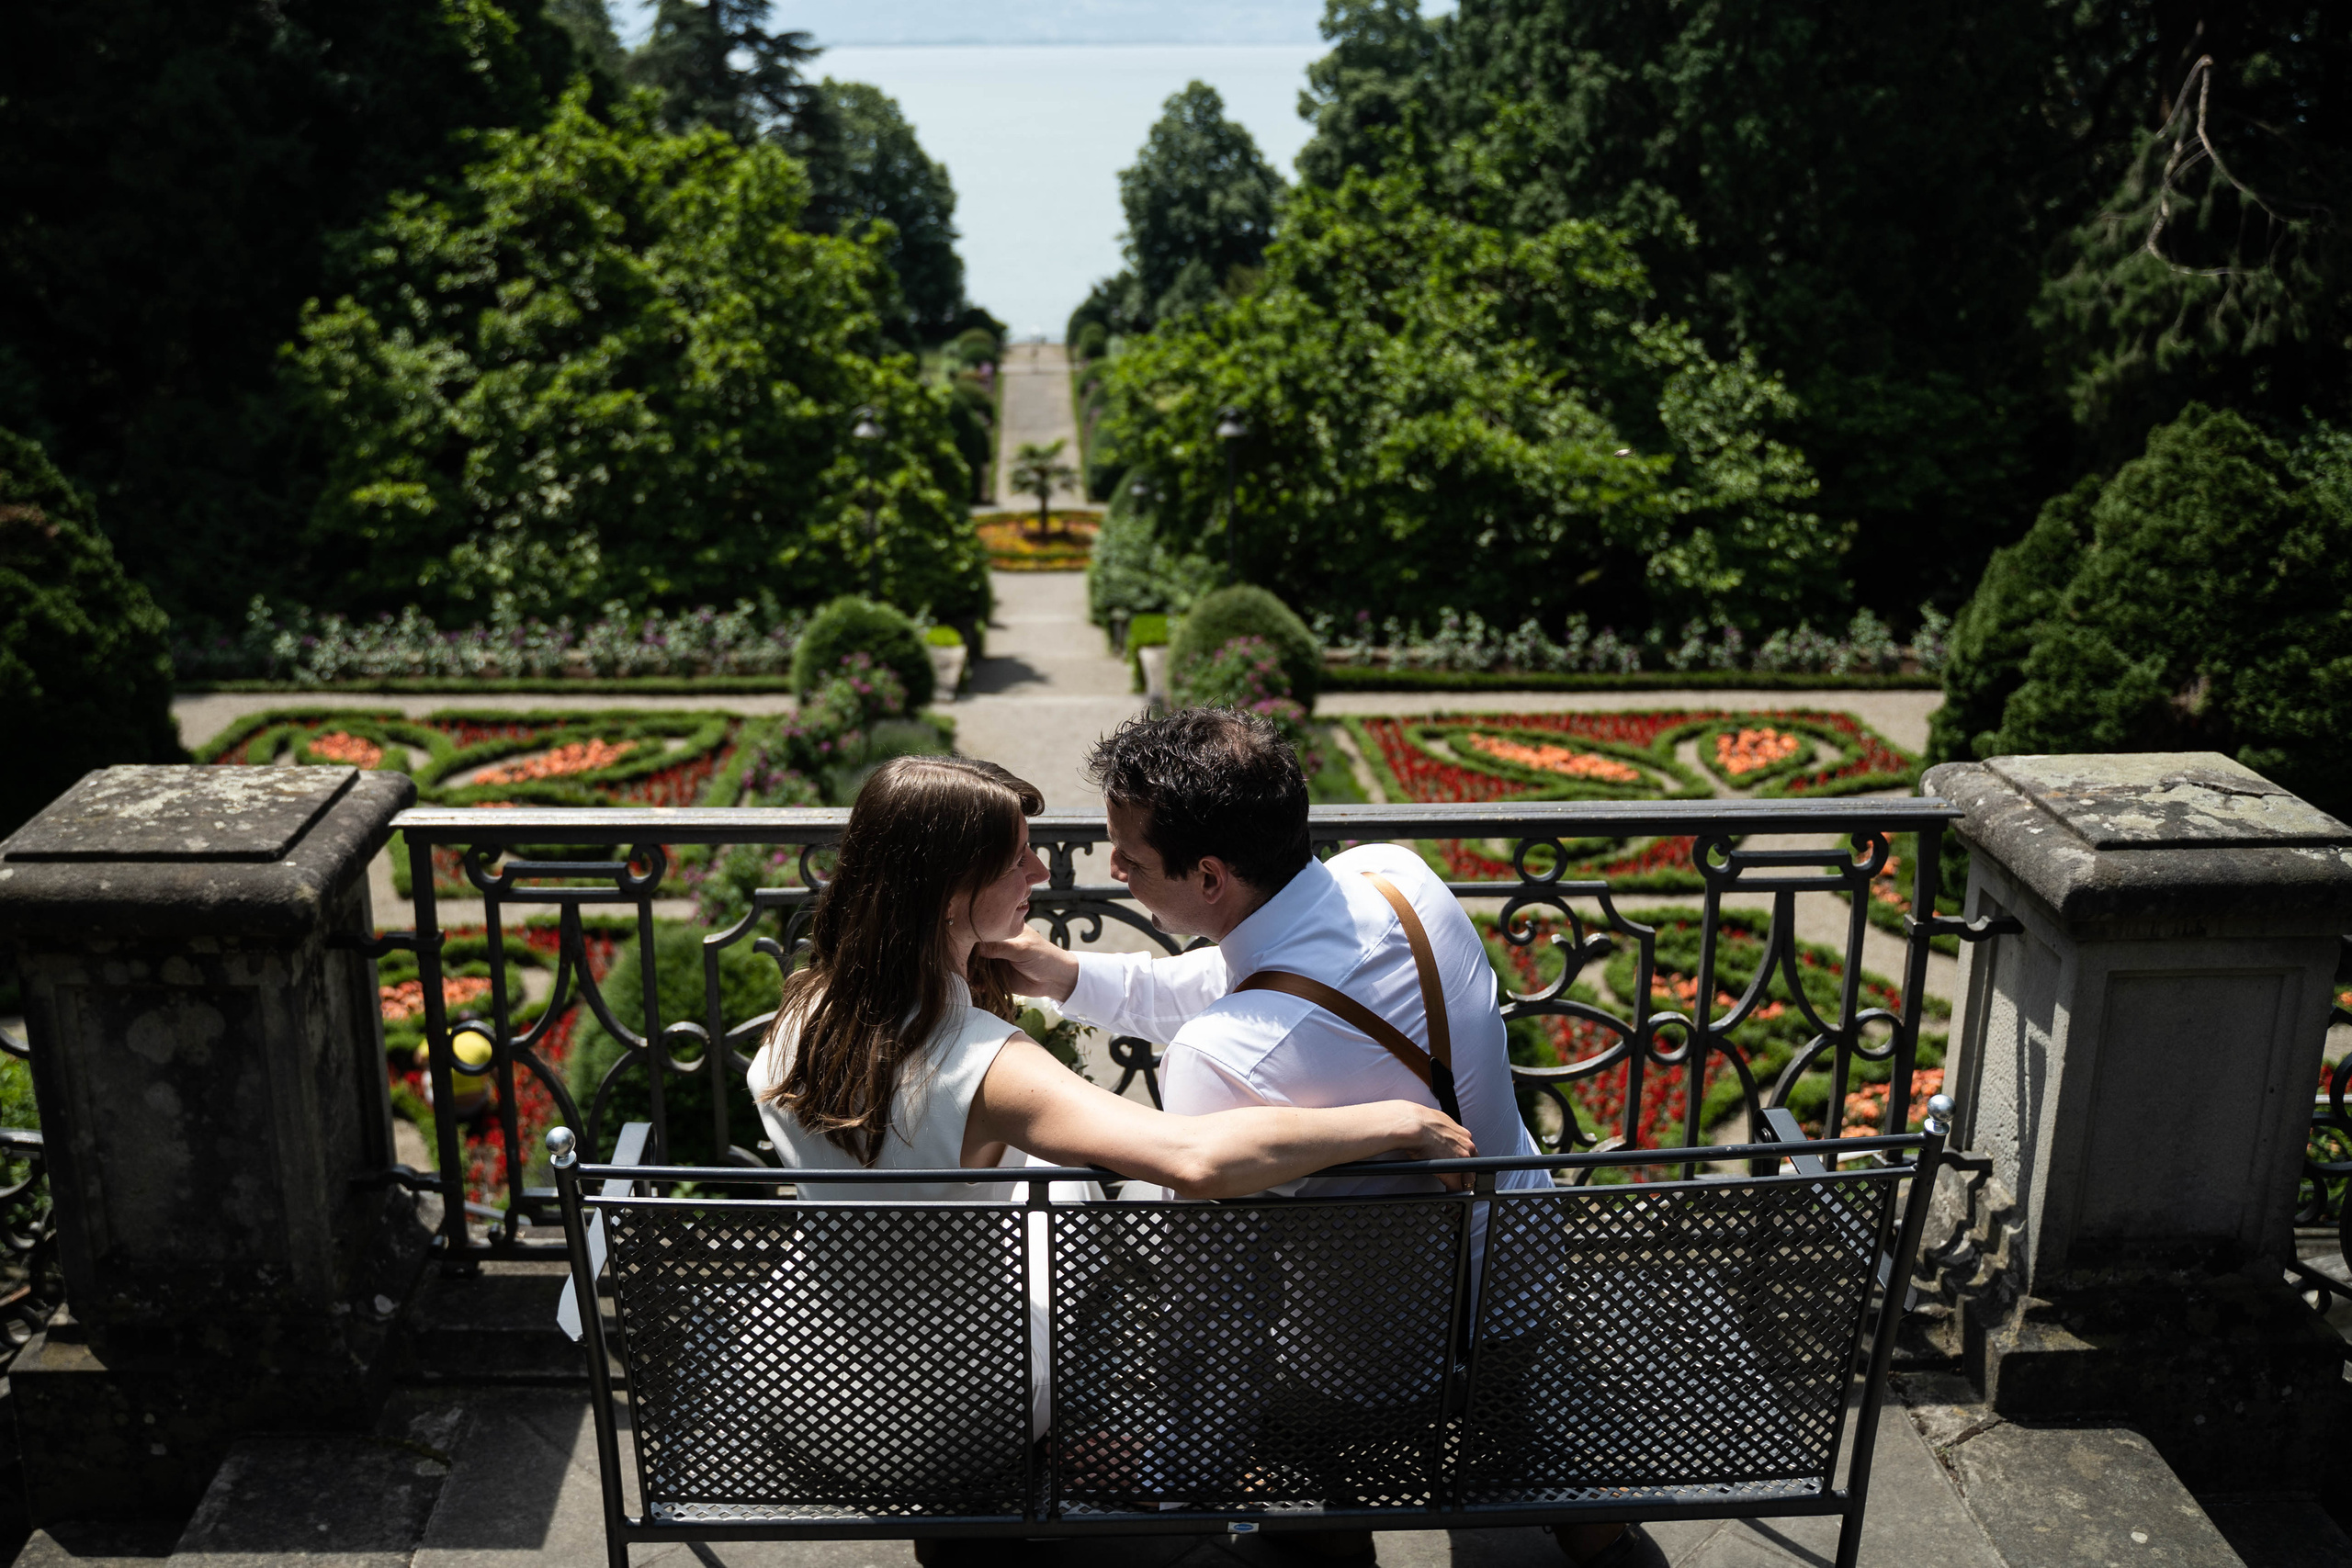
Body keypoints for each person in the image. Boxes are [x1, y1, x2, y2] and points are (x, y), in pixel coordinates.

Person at [978, 708, 1656, 1568]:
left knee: (1237, 1340)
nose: (1113, 869)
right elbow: (1254, 980)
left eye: (1134, 858)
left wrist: (1176, 1462)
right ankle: (1577, 1510)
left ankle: (1322, 1532)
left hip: (1369, 1366)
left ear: (1212, 877)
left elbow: (1217, 1307)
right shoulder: (1395, 876)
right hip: (1518, 1279)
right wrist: (1073, 975)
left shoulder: (1215, 1061)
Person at [742, 753, 1475, 1486]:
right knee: (1086, 1188)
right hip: (953, 1414)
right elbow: (1193, 1156)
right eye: (1015, 858)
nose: (1039, 871)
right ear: (946, 894)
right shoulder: (985, 1062)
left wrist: (1062, 975)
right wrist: (1395, 1120)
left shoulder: (806, 1011)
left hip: (818, 1384)